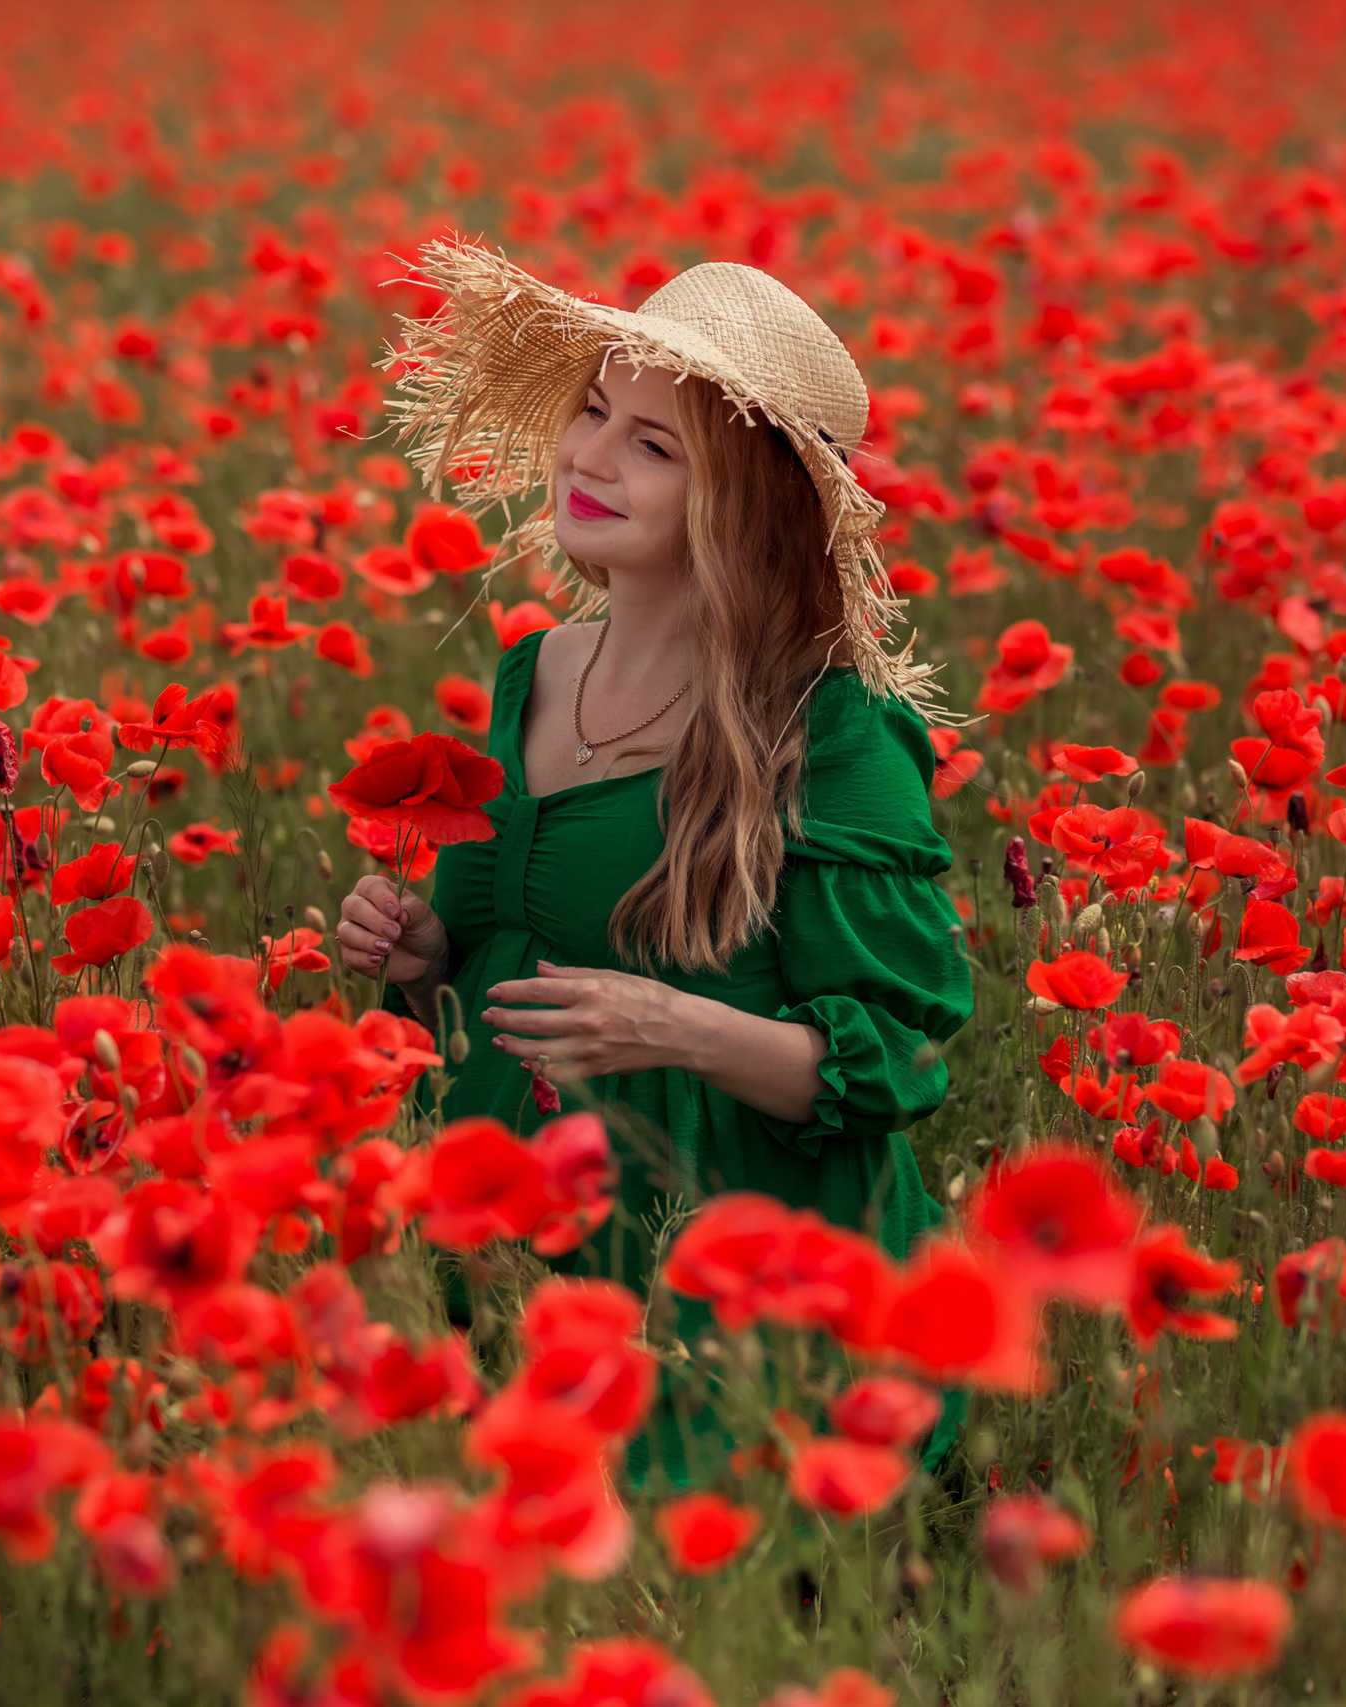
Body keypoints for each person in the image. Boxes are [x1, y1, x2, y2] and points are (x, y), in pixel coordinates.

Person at [334, 240, 974, 1487]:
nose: (588, 458)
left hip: (735, 1290)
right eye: (592, 413)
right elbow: (509, 981)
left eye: (653, 445)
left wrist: (676, 1025)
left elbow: (900, 1062)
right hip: (519, 1256)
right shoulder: (534, 674)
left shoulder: (827, 735)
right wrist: (423, 971)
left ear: (742, 500)